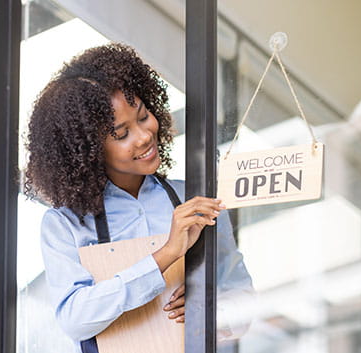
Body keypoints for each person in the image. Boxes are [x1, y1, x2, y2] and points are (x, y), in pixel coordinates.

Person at [24, 43, 254, 352]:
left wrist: (209, 308)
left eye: (144, 116)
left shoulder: (196, 202)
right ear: (88, 150)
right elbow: (75, 318)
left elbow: (244, 304)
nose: (144, 136)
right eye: (121, 133)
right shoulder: (65, 225)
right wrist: (166, 255)